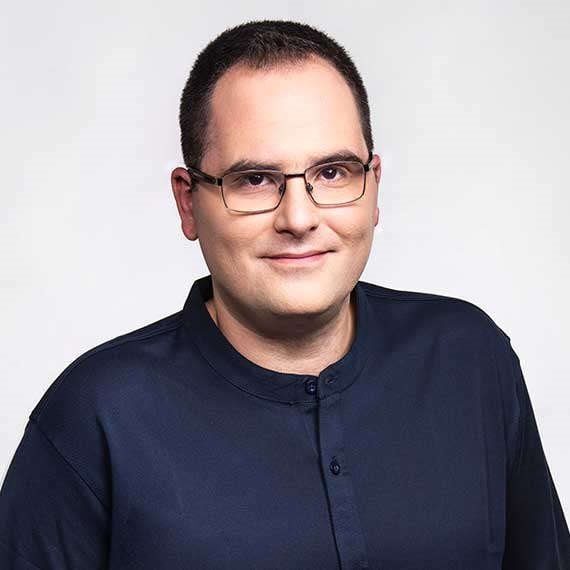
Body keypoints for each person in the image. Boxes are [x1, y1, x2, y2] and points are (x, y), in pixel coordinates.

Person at [1, 19, 568, 570]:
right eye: (254, 180)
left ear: (374, 187)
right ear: (188, 202)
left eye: (332, 172)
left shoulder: (471, 359)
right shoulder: (95, 414)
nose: (298, 218)